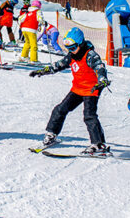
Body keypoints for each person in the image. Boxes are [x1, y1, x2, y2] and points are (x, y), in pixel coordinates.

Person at [29, 27, 111, 155]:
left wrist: (102, 79)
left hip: (91, 89)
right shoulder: (71, 56)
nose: (71, 51)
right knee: (60, 109)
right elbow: (58, 65)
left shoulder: (90, 55)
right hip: (77, 89)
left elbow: (99, 67)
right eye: (69, 49)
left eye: (73, 48)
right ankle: (52, 135)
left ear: (80, 44)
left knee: (89, 116)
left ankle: (98, 144)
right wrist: (42, 71)